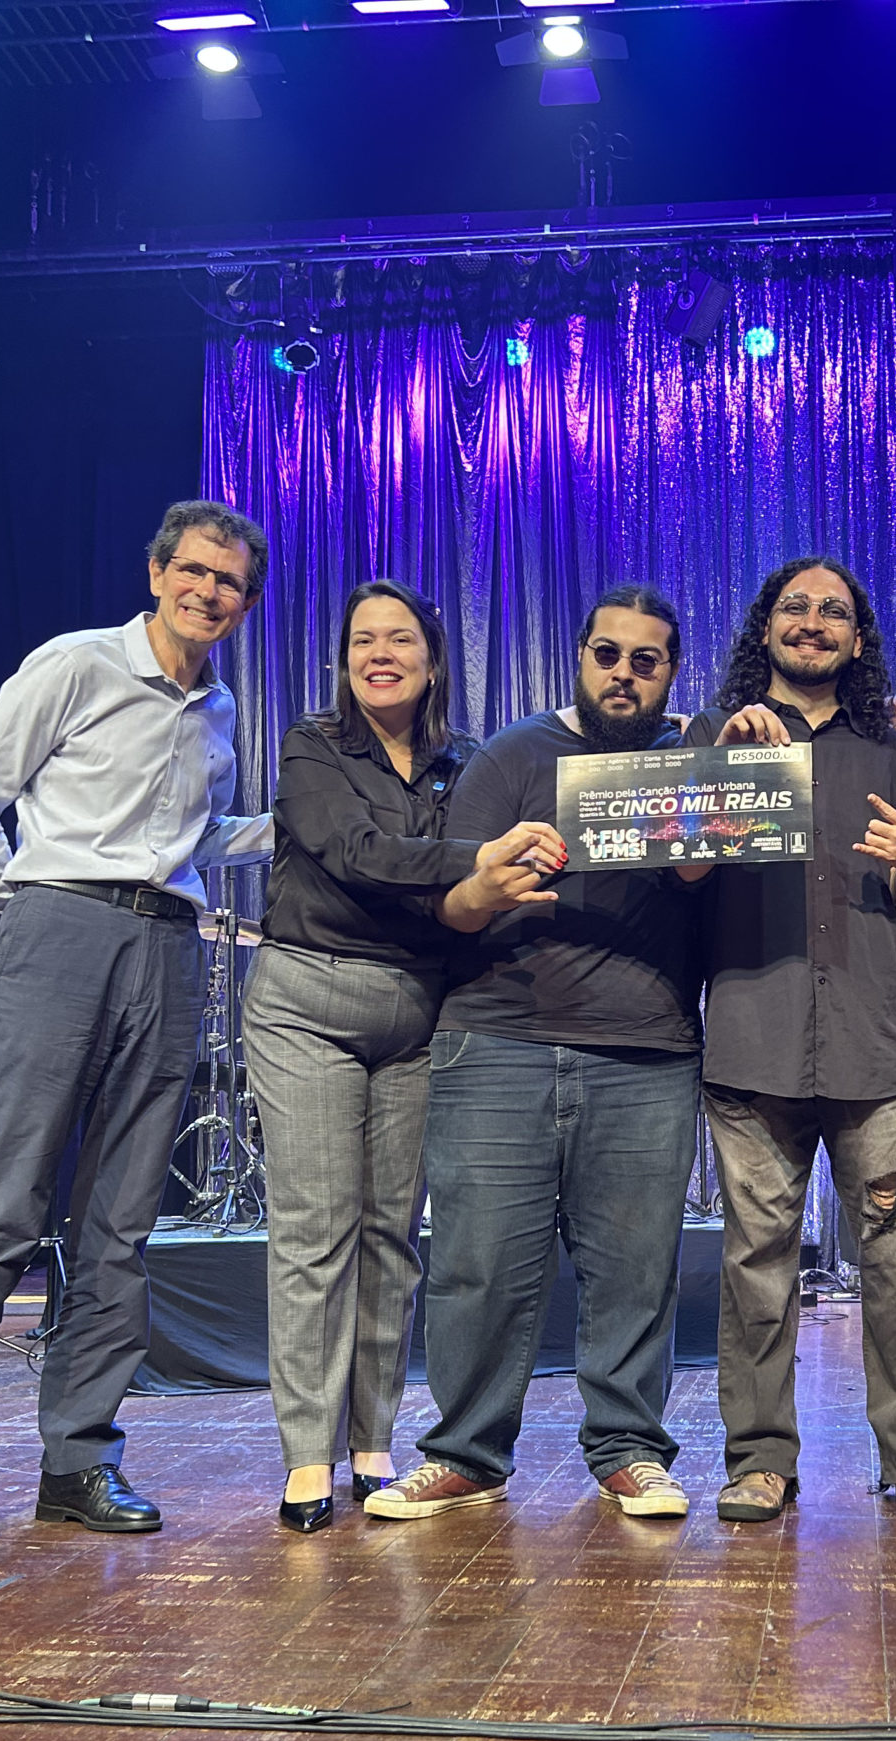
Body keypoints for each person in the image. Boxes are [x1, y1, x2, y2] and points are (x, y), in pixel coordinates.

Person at [0, 500, 277, 1553]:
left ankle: (79, 1460)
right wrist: (27, 907)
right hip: (59, 934)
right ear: (157, 572)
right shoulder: (75, 664)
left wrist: (299, 828)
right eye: (194, 571)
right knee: (2, 1214)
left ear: (246, 604)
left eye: (230, 582)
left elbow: (192, 834)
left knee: (120, 1227)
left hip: (167, 946)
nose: (209, 592)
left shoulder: (219, 709)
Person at [364, 586, 704, 1524]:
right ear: (581, 657)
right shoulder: (513, 755)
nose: (624, 674)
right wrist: (490, 885)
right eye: (608, 654)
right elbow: (450, 906)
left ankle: (630, 1451)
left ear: (672, 671)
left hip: (645, 1049)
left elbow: (720, 893)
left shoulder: (697, 768)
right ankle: (464, 1454)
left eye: (646, 660)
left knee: (636, 1270)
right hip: (496, 1042)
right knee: (475, 1266)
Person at [248, 581, 565, 1533]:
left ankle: (371, 1443)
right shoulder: (312, 745)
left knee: (392, 1237)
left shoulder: (466, 761)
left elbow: (469, 887)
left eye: (398, 640)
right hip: (309, 1001)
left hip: (422, 1007)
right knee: (316, 1230)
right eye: (362, 640)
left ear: (433, 659)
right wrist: (475, 858)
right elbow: (354, 851)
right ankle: (307, 1456)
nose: (378, 655)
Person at [683, 557, 896, 1524]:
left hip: (869, 1044)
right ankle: (761, 1460)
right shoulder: (711, 735)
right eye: (795, 608)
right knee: (756, 1264)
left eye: (833, 612)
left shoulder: (894, 746)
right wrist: (725, 767)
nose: (812, 622)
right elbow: (680, 877)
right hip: (752, 1043)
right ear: (765, 627)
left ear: (857, 638)